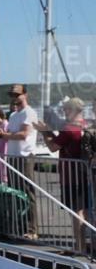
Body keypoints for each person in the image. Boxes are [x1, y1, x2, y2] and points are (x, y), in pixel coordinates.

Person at [36, 97, 90, 253]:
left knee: (76, 212)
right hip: (84, 174)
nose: (64, 112)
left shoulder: (69, 129)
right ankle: (84, 244)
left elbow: (53, 147)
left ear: (74, 110)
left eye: (67, 109)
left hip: (71, 175)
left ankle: (79, 246)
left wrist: (44, 132)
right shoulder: (86, 125)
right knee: (85, 211)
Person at [1, 84, 39, 239]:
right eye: (12, 95)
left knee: (27, 192)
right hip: (13, 156)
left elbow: (24, 134)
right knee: (16, 192)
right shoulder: (13, 115)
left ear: (25, 95)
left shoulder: (29, 112)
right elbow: (10, 133)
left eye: (17, 94)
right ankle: (19, 226)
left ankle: (31, 229)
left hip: (24, 156)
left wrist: (4, 135)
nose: (14, 97)